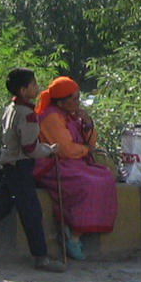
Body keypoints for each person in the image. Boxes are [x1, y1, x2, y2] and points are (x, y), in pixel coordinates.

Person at [0, 68, 65, 272]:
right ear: (24, 90)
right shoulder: (28, 115)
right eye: (33, 85)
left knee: (0, 207)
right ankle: (41, 257)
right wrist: (50, 150)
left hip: (10, 163)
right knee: (31, 212)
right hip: (20, 165)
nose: (36, 87)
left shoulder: (11, 108)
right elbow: (29, 148)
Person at [32, 76, 119, 260]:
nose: (78, 102)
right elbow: (66, 149)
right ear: (61, 102)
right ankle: (73, 232)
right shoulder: (51, 118)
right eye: (74, 99)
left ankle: (77, 230)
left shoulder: (71, 116)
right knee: (88, 184)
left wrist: (88, 124)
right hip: (55, 164)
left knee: (106, 177)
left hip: (76, 162)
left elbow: (90, 142)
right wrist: (87, 149)